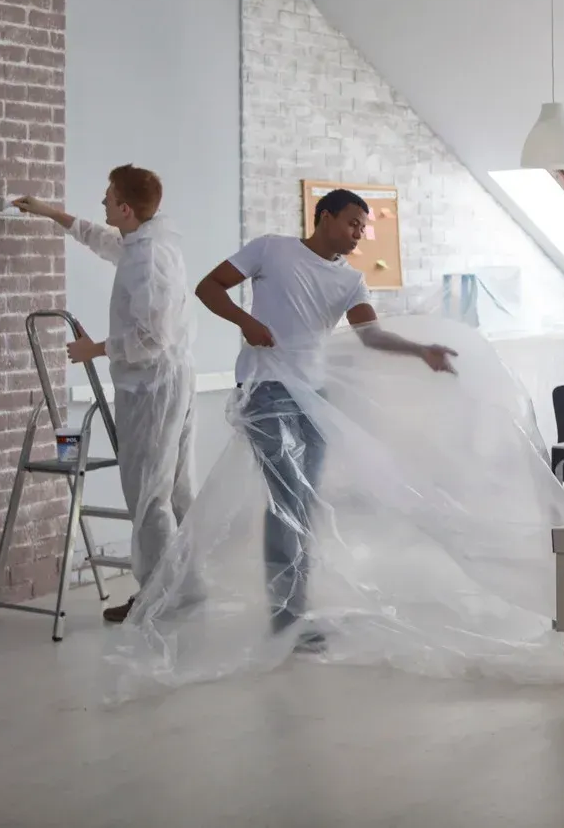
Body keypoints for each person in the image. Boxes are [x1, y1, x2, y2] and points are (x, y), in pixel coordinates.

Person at [195, 188, 457, 653]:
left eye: (363, 227)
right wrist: (245, 323)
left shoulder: (351, 281)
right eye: (353, 222)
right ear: (326, 217)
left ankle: (294, 609)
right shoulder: (271, 248)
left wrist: (421, 351)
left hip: (313, 394)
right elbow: (208, 287)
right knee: (286, 499)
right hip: (265, 390)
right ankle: (287, 617)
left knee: (304, 502)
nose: (359, 233)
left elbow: (370, 336)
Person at [15, 165, 196, 624]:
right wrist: (49, 212)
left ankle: (158, 598)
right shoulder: (146, 241)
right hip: (163, 382)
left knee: (148, 495)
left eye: (108, 196)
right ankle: (185, 587)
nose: (102, 202)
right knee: (171, 491)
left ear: (126, 208)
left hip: (154, 386)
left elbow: (152, 336)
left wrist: (93, 349)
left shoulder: (149, 258)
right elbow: (101, 239)